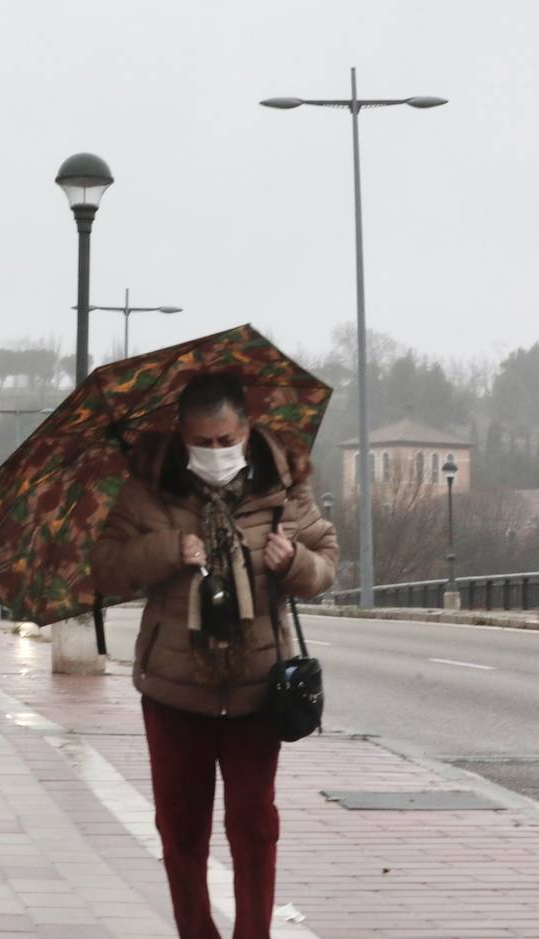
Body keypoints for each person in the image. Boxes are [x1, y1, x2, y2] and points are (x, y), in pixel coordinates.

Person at [90, 372, 338, 939]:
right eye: (202, 443)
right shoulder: (148, 490)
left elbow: (325, 559)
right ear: (181, 437)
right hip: (175, 693)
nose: (216, 453)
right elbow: (106, 567)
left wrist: (293, 560)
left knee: (255, 829)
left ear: (247, 431)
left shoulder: (281, 488)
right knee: (181, 834)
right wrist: (167, 549)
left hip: (256, 691)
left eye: (226, 441)